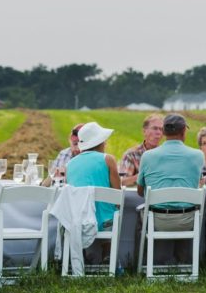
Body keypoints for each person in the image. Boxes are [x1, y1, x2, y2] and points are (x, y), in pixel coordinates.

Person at [136, 114, 205, 265]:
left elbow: (140, 192)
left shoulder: (148, 156)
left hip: (157, 220)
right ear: (183, 132)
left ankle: (141, 261)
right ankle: (187, 261)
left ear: (164, 132)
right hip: (187, 219)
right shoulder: (198, 155)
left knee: (139, 214)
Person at [66, 122, 121, 263]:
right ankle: (107, 251)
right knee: (112, 209)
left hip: (79, 221)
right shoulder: (108, 159)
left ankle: (81, 254)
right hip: (104, 222)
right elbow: (117, 194)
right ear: (101, 142)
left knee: (80, 209)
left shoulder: (70, 164)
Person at [119, 113, 164, 187]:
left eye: (161, 129)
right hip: (139, 197)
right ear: (144, 131)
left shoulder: (166, 154)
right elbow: (122, 182)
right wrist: (143, 176)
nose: (158, 132)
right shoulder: (131, 154)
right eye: (155, 128)